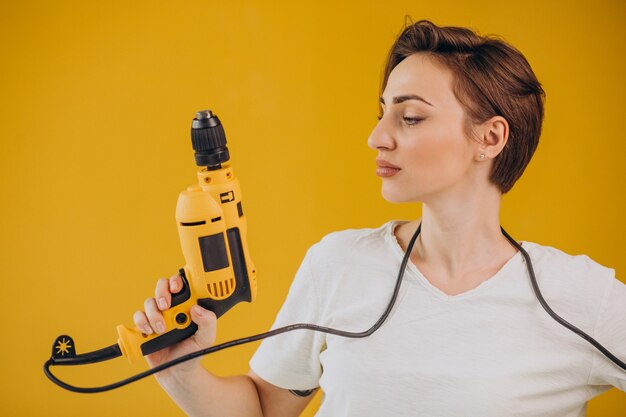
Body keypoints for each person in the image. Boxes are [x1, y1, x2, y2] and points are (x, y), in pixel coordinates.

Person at [133, 20, 626, 416]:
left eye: (410, 117)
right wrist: (181, 370)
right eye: (382, 112)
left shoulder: (579, 297)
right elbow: (264, 409)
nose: (377, 137)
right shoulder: (337, 263)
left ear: (490, 138)